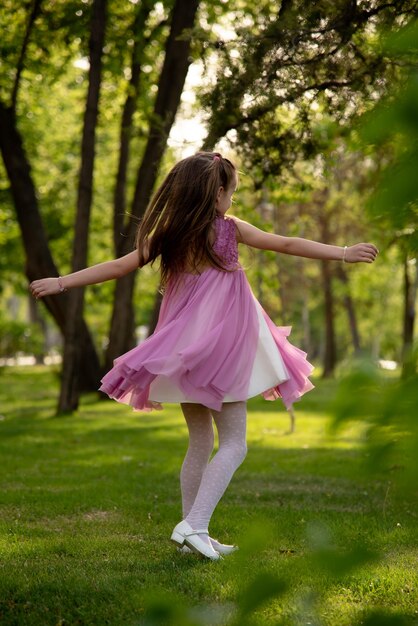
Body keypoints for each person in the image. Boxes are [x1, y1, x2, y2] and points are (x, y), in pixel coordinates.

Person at [30, 152, 378, 560]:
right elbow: (285, 243)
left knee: (200, 441)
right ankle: (193, 525)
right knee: (235, 443)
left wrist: (61, 281)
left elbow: (119, 266)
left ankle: (194, 535)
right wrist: (342, 251)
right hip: (223, 350)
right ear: (216, 195)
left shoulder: (169, 233)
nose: (232, 199)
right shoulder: (228, 230)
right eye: (231, 191)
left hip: (181, 351)